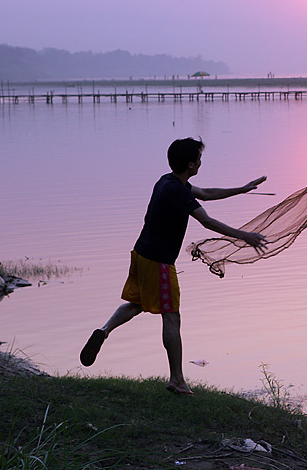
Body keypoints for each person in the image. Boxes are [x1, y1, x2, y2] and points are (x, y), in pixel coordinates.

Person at [80, 137, 267, 395]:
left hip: (141, 253)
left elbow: (206, 194)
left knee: (138, 304)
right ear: (191, 164)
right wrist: (244, 235)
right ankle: (177, 379)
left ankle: (104, 331)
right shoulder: (177, 191)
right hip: (159, 261)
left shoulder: (167, 181)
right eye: (199, 159)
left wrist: (242, 189)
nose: (201, 162)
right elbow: (207, 222)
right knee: (171, 315)